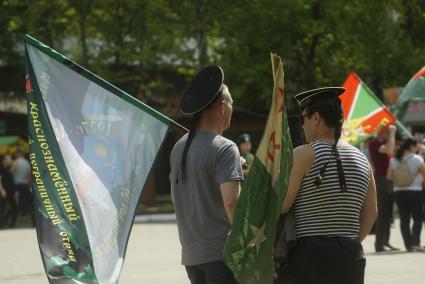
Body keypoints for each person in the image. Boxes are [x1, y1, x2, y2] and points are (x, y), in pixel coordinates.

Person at [281, 87, 377, 284]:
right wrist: (348, 242)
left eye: (303, 119)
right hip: (351, 253)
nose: (302, 126)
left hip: (311, 255)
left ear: (316, 117)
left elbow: (283, 205)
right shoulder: (362, 159)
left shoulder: (304, 154)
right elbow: (372, 212)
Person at [169, 66, 243, 284]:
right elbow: (232, 204)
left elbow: (178, 198)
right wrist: (248, 245)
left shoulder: (179, 148)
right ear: (222, 107)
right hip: (223, 256)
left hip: (192, 256)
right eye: (231, 102)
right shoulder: (226, 148)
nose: (232, 108)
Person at [387, 138, 425, 252]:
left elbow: (389, 176)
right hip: (415, 191)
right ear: (412, 146)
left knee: (404, 219)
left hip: (398, 192)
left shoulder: (394, 160)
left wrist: (399, 181)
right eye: (416, 146)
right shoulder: (417, 159)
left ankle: (408, 245)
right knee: (418, 218)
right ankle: (415, 242)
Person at [368, 124, 399, 252]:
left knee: (388, 212)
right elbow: (389, 150)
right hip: (381, 178)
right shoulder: (374, 143)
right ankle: (379, 244)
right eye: (385, 129)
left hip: (388, 179)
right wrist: (392, 133)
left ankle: (385, 241)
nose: (387, 131)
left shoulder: (385, 142)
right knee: (382, 212)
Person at [10, 148, 34, 226]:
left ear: (18, 154)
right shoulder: (27, 163)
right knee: (25, 202)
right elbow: (29, 176)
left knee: (17, 203)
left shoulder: (16, 162)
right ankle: (30, 217)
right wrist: (29, 186)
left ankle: (15, 220)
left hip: (17, 185)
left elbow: (11, 172)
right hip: (25, 185)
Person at [0, 154, 17, 228]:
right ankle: (1, 224)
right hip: (3, 192)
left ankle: (9, 223)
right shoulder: (1, 168)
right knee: (2, 209)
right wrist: (2, 190)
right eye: (9, 159)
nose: (10, 160)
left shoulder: (7, 168)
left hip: (10, 192)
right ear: (4, 160)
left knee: (14, 207)